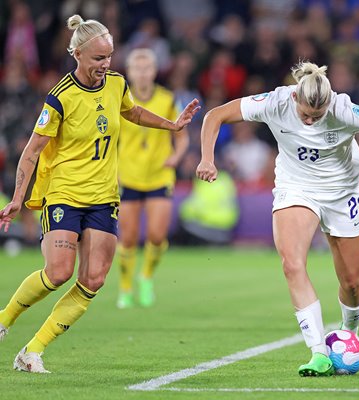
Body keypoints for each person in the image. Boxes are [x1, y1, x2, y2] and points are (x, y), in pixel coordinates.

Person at [0, 15, 200, 373]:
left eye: (109, 57)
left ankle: (32, 351)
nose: (105, 65)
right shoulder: (59, 98)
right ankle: (5, 319)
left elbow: (132, 111)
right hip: (64, 194)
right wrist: (18, 199)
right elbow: (31, 151)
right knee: (58, 272)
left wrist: (171, 125)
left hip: (104, 198)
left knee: (93, 280)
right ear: (77, 54)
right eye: (97, 59)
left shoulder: (116, 84)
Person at [196, 61, 359, 376]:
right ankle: (319, 354)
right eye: (305, 114)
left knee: (352, 282)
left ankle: (349, 331)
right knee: (292, 264)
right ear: (295, 98)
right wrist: (207, 158)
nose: (310, 121)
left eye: (317, 116)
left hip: (342, 192)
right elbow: (216, 115)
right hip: (296, 188)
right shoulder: (275, 101)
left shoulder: (344, 109)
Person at [116, 48, 190, 309]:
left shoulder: (168, 99)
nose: (143, 73)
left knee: (157, 236)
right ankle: (125, 288)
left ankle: (145, 276)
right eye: (138, 68)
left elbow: (182, 136)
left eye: (147, 67)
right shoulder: (120, 100)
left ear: (155, 71)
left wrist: (176, 157)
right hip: (128, 174)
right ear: (129, 72)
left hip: (160, 174)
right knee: (127, 237)